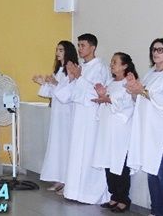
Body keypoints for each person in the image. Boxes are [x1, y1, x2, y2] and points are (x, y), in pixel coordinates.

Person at [127, 38, 163, 216]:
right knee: (151, 174)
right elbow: (142, 101)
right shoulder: (150, 74)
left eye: (160, 49)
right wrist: (134, 89)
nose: (155, 52)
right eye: (153, 49)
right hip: (150, 132)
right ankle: (155, 210)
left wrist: (142, 91)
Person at [54, 33, 111, 204]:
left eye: (83, 45)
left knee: (88, 154)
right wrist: (71, 79)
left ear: (93, 47)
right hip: (78, 116)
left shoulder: (100, 67)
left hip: (91, 117)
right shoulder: (82, 68)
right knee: (77, 152)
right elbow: (67, 95)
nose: (79, 49)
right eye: (78, 45)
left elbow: (96, 92)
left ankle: (90, 193)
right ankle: (75, 191)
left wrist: (79, 77)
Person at [92, 53, 139, 213]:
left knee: (120, 164)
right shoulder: (111, 83)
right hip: (107, 129)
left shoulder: (129, 83)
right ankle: (114, 196)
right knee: (108, 162)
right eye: (111, 62)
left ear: (125, 66)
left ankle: (123, 198)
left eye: (115, 62)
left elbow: (130, 105)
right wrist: (102, 96)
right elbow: (107, 100)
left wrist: (108, 99)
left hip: (121, 130)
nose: (111, 65)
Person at [32, 40, 78, 193]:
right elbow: (52, 93)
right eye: (57, 50)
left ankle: (67, 180)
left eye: (61, 50)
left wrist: (55, 83)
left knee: (65, 146)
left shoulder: (72, 70)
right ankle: (59, 179)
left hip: (67, 114)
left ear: (68, 52)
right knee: (57, 146)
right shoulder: (59, 70)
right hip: (57, 114)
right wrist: (44, 83)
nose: (57, 52)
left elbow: (68, 93)